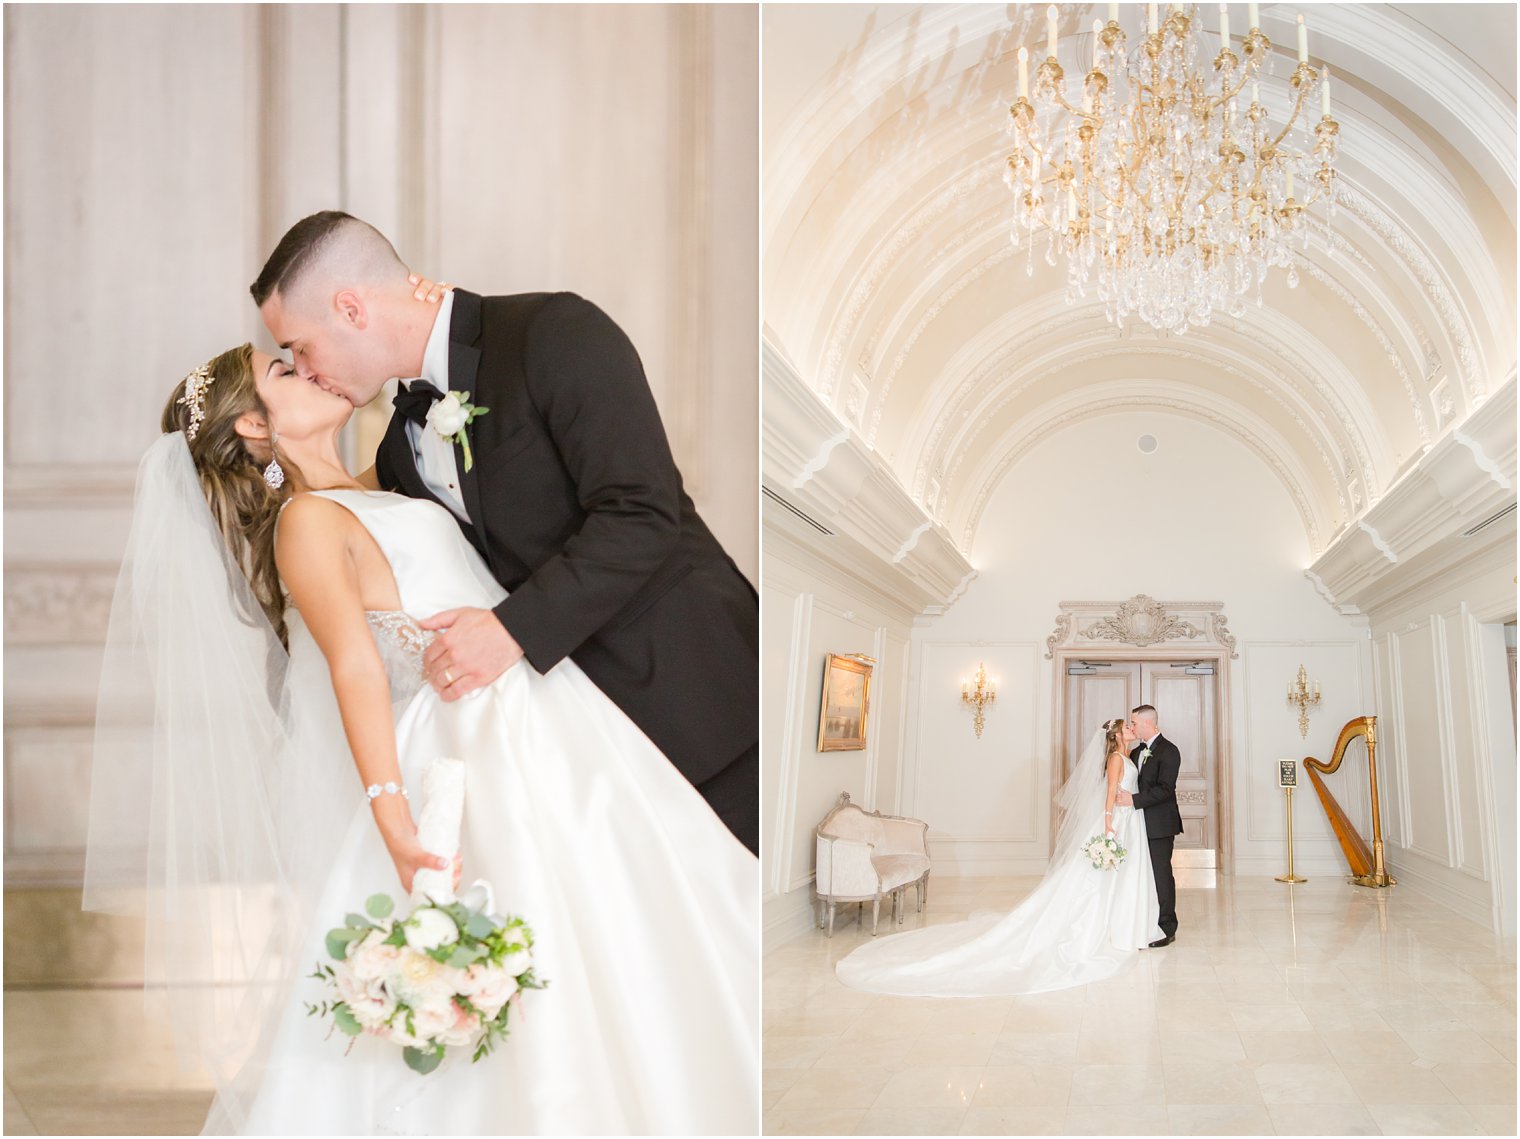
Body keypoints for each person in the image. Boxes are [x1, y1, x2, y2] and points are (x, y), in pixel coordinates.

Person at [84, 344, 758, 1134]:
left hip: (546, 712)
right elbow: (357, 672)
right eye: (285, 372)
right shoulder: (304, 521)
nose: (311, 369)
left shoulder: (371, 485)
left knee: (636, 919)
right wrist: (392, 817)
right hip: (467, 744)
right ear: (253, 426)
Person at [250, 211, 758, 853]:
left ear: (351, 309)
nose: (304, 368)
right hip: (587, 765)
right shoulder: (402, 449)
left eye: (299, 346)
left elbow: (642, 512)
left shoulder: (554, 333)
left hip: (705, 707)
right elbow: (342, 517)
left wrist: (510, 630)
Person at [834, 718, 1161, 997]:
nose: (1131, 728)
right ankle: (1094, 931)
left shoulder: (1127, 754)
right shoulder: (1118, 759)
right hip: (1114, 822)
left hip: (1126, 820)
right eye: (1126, 726)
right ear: (1117, 734)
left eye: (1133, 725)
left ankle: (1118, 927)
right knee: (1093, 881)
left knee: (1109, 878)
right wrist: (1107, 826)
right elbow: (1108, 795)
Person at [1116, 703, 1182, 947]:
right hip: (1136, 824)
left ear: (1146, 723)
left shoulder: (1169, 751)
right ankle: (1146, 921)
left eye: (1134, 722)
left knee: (1160, 875)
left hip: (1160, 825)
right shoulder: (1135, 752)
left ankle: (1167, 926)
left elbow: (1165, 790)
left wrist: (1133, 800)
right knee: (1141, 874)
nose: (1132, 726)